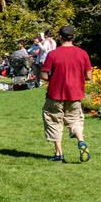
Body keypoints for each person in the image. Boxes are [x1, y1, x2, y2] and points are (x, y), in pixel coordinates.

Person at [41, 25, 92, 163]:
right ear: (73, 37)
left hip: (55, 94)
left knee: (53, 121)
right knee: (75, 120)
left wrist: (55, 77)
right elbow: (88, 75)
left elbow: (44, 75)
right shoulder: (83, 53)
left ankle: (59, 154)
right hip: (75, 94)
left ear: (60, 37)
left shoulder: (53, 54)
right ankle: (81, 141)